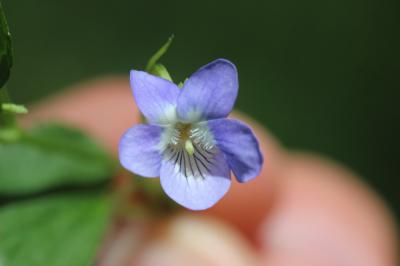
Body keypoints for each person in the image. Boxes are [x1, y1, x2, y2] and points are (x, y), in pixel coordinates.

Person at [22, 76, 398, 266]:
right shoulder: (154, 134)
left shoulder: (184, 129)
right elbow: (135, 151)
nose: (186, 137)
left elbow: (247, 162)